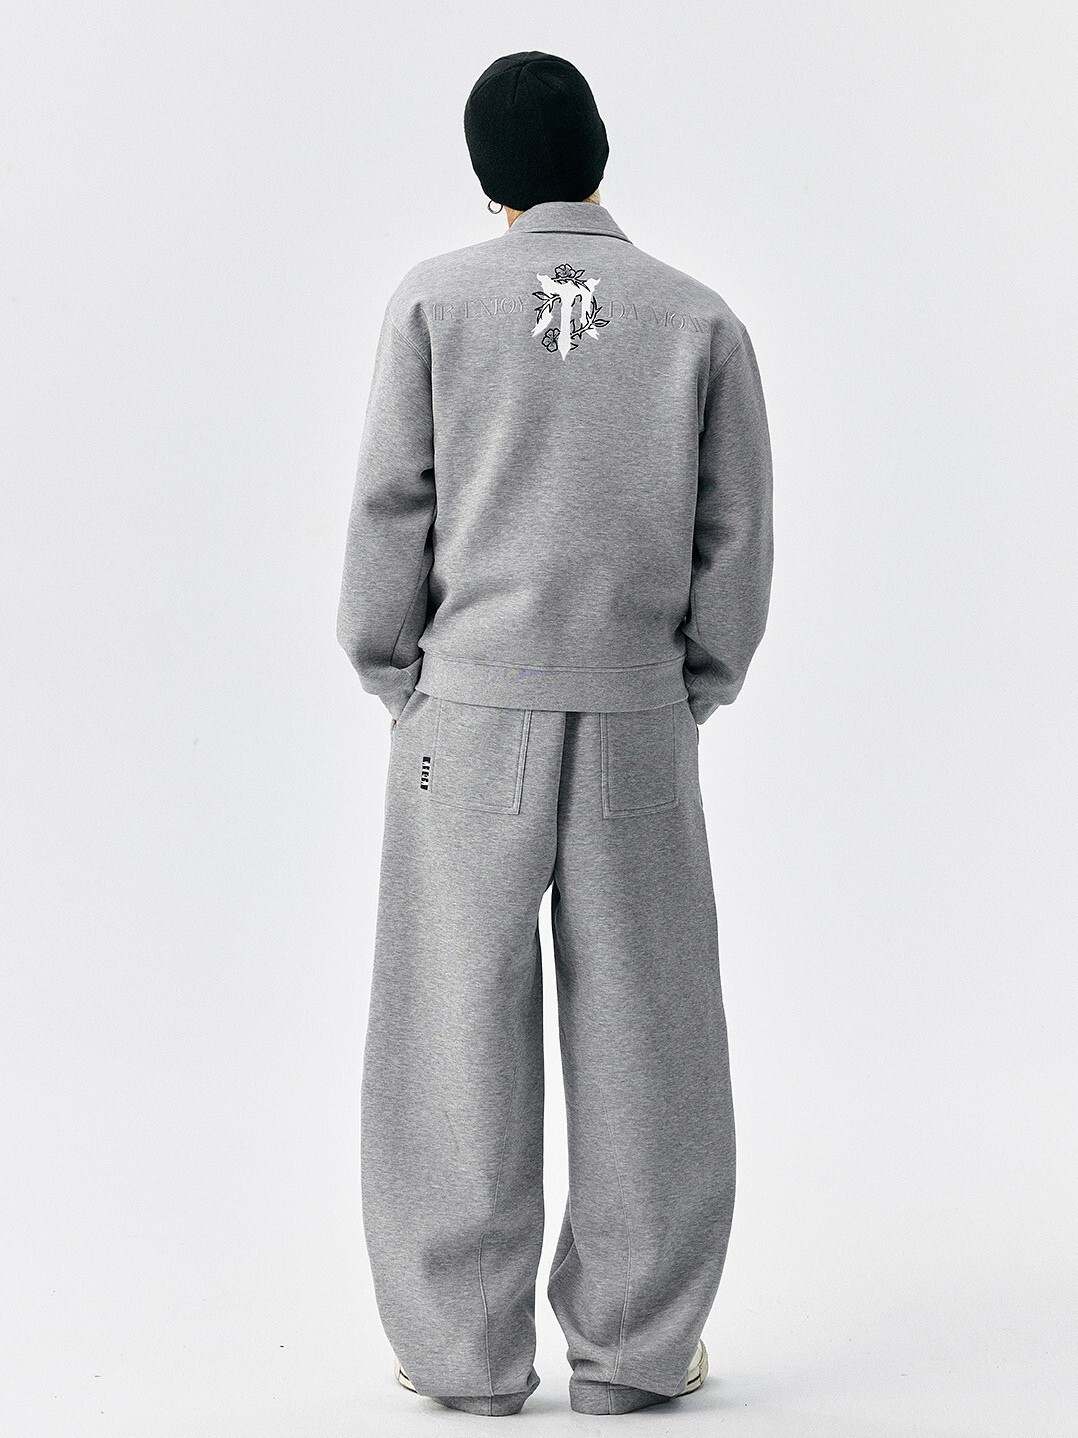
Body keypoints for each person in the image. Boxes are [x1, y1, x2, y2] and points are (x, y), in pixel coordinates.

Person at [336, 49, 774, 1417]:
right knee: (650, 1026)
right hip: (639, 708)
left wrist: (395, 670)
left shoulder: (433, 303)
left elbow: (391, 508)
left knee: (449, 1026)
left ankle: (462, 1357)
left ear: (486, 178)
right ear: (599, 153)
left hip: (462, 715)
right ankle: (635, 1351)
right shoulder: (698, 319)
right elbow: (735, 534)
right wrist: (694, 682)